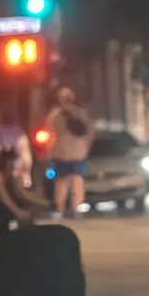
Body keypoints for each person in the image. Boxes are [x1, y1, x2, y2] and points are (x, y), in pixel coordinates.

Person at [43, 87, 94, 218]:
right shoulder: (81, 113)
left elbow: (50, 132)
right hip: (78, 153)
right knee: (77, 180)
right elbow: (89, 132)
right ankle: (77, 209)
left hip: (61, 153)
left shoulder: (55, 114)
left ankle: (59, 209)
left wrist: (48, 152)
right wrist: (86, 148)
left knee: (61, 182)